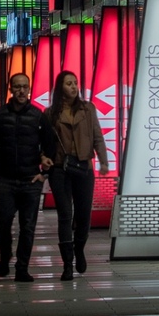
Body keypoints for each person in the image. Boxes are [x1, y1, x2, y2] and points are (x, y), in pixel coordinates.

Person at [0, 72, 54, 283]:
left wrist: (43, 174)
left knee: (28, 225)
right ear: (10, 89)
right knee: (3, 223)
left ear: (29, 89)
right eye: (18, 87)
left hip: (31, 179)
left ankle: (22, 267)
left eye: (25, 87)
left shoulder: (39, 117)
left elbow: (50, 147)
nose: (22, 91)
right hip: (4, 179)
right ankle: (5, 255)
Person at [45, 70, 109, 281]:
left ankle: (79, 246)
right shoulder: (49, 113)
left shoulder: (88, 109)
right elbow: (43, 142)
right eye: (68, 83)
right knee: (65, 215)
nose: (73, 87)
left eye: (75, 83)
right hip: (59, 169)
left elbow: (98, 136)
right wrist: (43, 158)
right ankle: (67, 264)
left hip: (83, 168)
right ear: (60, 88)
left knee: (83, 216)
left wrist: (103, 161)